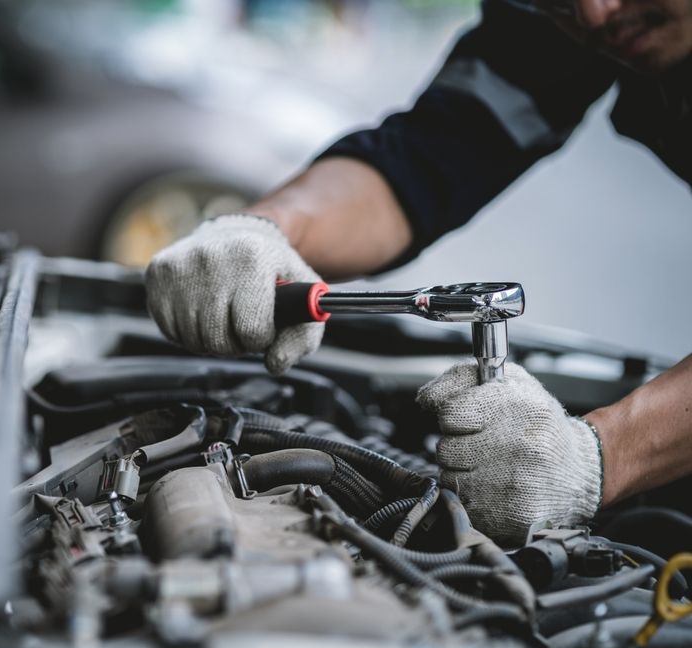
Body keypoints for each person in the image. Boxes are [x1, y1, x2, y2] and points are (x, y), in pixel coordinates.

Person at [144, 0, 692, 544]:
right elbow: (420, 162)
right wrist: (261, 228)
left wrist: (605, 455)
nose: (596, 15)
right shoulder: (563, 25)